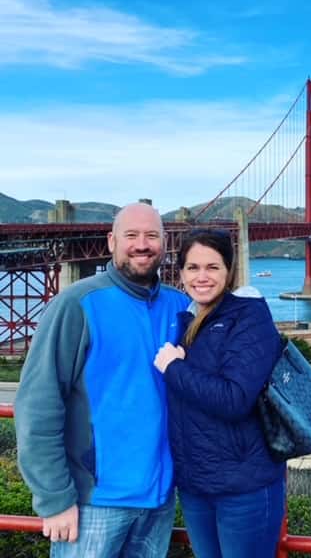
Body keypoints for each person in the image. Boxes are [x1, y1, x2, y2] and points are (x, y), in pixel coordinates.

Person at [14, 202, 189, 557]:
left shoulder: (181, 307)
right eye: (131, 235)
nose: (142, 244)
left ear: (165, 242)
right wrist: (53, 499)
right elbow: (37, 405)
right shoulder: (76, 304)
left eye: (152, 235)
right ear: (111, 241)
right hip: (92, 503)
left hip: (158, 503)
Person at [153, 229, 286, 558]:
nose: (201, 277)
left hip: (244, 487)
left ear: (229, 271)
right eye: (192, 267)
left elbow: (234, 399)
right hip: (196, 485)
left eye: (212, 267)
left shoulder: (249, 316)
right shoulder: (186, 322)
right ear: (180, 273)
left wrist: (174, 368)